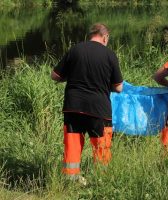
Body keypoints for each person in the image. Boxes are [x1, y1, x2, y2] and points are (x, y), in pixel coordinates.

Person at [51, 23, 123, 181]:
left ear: (90, 35)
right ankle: (100, 181)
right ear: (105, 37)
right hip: (99, 109)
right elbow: (118, 87)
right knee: (101, 148)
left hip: (73, 107)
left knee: (72, 146)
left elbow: (55, 76)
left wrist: (69, 77)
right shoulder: (109, 54)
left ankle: (70, 181)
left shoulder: (75, 50)